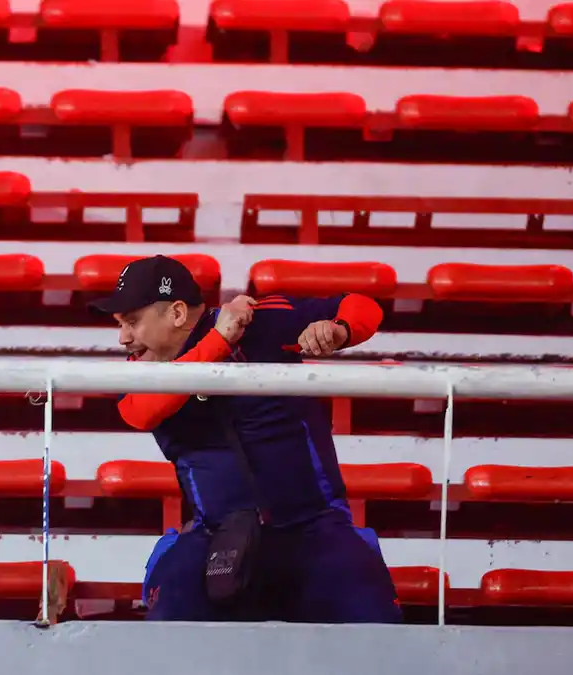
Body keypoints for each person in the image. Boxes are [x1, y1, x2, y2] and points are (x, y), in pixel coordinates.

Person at [89, 255, 403, 624]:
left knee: (375, 622)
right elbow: (138, 413)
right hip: (216, 534)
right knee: (168, 626)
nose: (123, 337)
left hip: (313, 525)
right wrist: (219, 341)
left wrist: (338, 331)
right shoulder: (140, 370)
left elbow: (361, 306)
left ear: (176, 313)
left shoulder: (261, 320)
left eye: (132, 322)